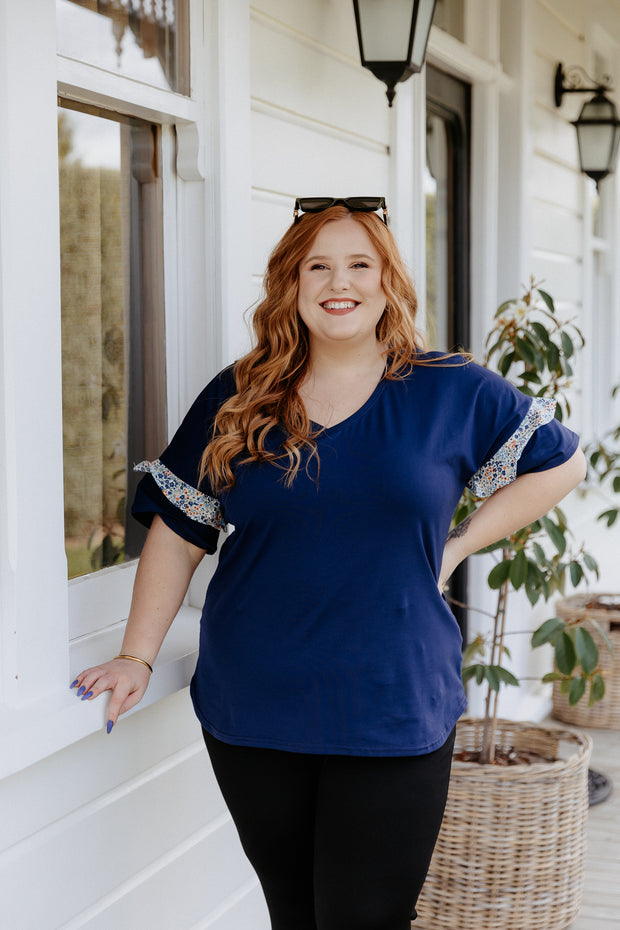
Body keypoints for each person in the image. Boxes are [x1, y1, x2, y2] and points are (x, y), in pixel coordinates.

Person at [71, 197, 586, 930]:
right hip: (253, 706)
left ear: (387, 282)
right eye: (317, 266)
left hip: (394, 702)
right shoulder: (240, 395)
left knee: (363, 918)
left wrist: (459, 543)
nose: (337, 282)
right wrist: (135, 655)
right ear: (292, 283)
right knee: (295, 913)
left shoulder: (452, 389)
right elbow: (182, 530)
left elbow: (561, 464)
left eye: (358, 265)